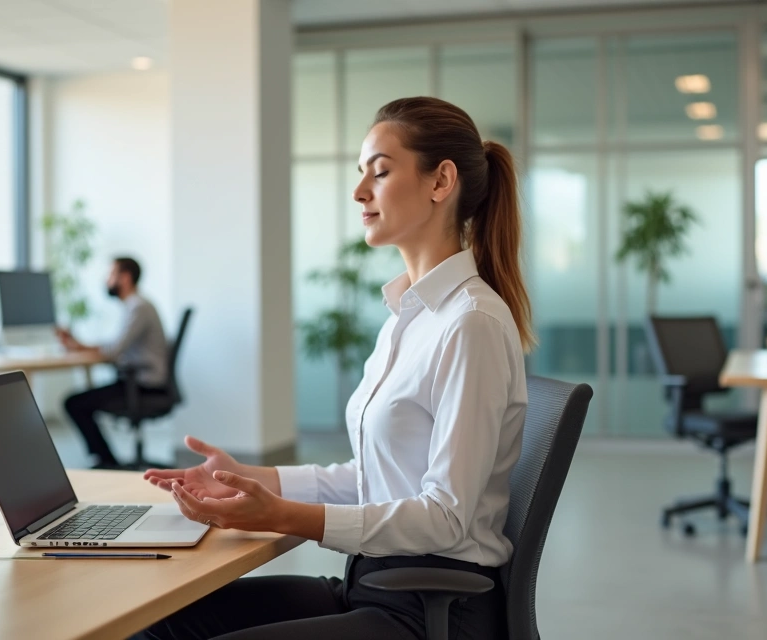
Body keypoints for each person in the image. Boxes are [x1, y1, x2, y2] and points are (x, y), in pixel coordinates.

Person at [136, 96, 535, 640]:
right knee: (158, 624)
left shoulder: (471, 323)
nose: (359, 191)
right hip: (373, 584)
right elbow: (374, 478)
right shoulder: (408, 317)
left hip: (431, 612)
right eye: (360, 173)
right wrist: (248, 477)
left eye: (381, 172)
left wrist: (281, 514)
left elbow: (446, 518)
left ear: (441, 181)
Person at [58, 256, 168, 469]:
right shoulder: (135, 306)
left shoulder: (139, 307)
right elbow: (115, 347)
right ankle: (105, 458)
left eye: (110, 275)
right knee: (78, 401)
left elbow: (114, 351)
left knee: (74, 403)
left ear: (125, 277)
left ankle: (106, 461)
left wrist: (79, 346)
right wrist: (79, 345)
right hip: (138, 380)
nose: (106, 280)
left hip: (142, 384)